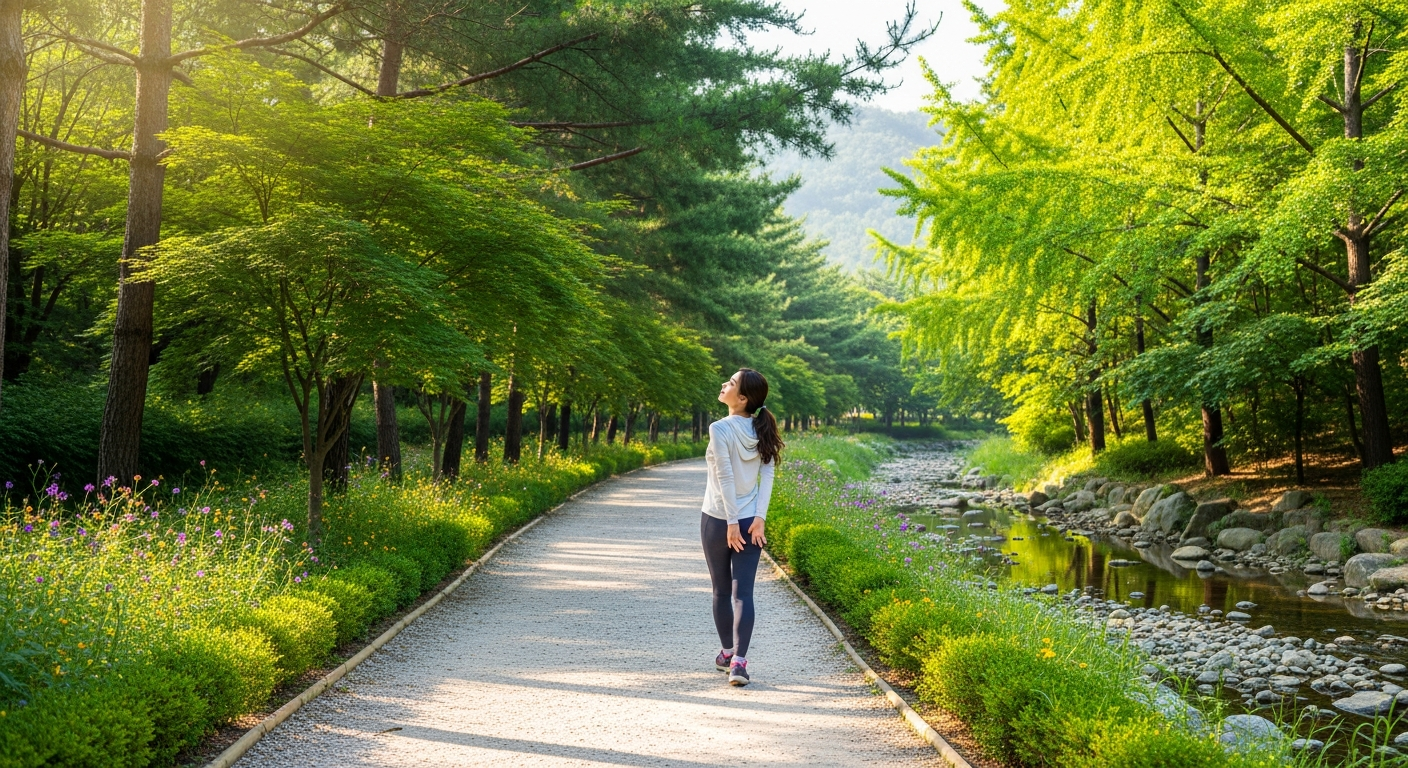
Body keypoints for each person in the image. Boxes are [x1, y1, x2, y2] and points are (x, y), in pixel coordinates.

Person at [701, 368, 784, 686]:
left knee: (722, 590)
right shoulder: (762, 428)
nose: (724, 384)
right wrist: (758, 517)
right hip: (751, 522)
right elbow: (768, 476)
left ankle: (726, 653)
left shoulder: (719, 428)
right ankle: (738, 663)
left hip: (719, 518)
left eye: (731, 383)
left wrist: (732, 523)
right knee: (743, 594)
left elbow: (725, 476)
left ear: (743, 398)